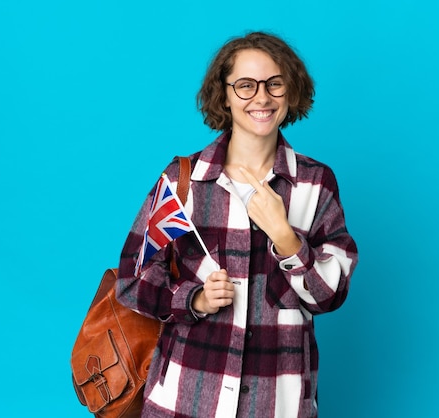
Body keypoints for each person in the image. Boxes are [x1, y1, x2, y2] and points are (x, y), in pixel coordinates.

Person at [117, 31, 358, 418]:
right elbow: (131, 282)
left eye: (274, 84)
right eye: (245, 86)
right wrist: (194, 299)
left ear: (290, 91)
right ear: (225, 94)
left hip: (278, 403)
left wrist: (285, 238)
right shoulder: (184, 180)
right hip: (186, 399)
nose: (261, 98)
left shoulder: (316, 183)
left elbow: (330, 296)